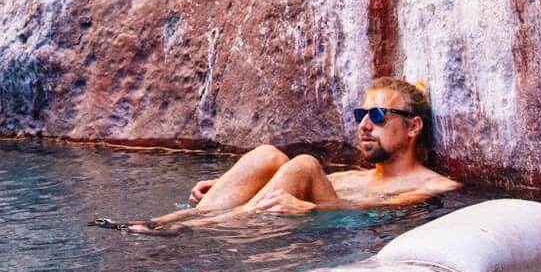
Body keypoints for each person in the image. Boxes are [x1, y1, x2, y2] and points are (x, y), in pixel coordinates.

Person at [127, 77, 460, 232]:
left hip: (329, 239)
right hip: (262, 221)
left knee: (304, 165)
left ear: (413, 127)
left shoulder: (435, 187)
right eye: (361, 116)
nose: (364, 126)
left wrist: (312, 210)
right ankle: (157, 223)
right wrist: (229, 184)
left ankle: (188, 230)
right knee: (267, 156)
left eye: (377, 116)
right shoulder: (354, 176)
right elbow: (283, 185)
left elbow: (377, 214)